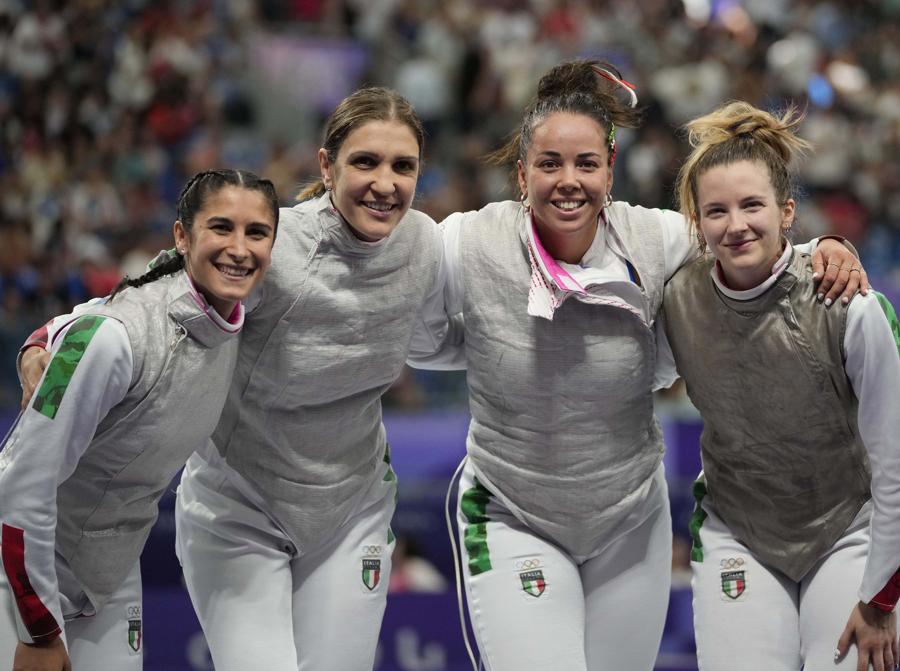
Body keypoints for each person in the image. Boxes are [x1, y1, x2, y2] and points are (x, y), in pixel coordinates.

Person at [409, 60, 868, 671]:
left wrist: (826, 249)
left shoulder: (657, 240)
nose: (567, 181)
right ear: (521, 174)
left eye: (586, 164)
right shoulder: (467, 243)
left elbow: (745, 238)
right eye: (549, 164)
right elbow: (393, 289)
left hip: (630, 520)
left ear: (611, 169)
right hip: (512, 512)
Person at [16, 87, 458, 671]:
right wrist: (47, 338)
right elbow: (150, 292)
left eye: (403, 166)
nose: (385, 183)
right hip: (239, 512)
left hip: (353, 513)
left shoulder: (425, 244)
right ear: (327, 166)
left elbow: (460, 328)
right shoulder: (270, 242)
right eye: (365, 162)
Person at [0, 168, 278, 671]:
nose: (239, 248)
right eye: (221, 227)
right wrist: (37, 629)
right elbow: (19, 483)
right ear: (182, 235)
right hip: (20, 585)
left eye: (256, 233)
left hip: (109, 576)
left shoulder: (231, 315)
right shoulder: (116, 337)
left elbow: (85, 313)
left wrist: (43, 335)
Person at [662, 101, 900, 671]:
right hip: (737, 530)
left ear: (787, 211)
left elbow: (896, 457)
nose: (736, 224)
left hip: (849, 528)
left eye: (752, 205)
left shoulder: (849, 304)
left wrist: (882, 596)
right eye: (716, 210)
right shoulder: (676, 299)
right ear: (696, 222)